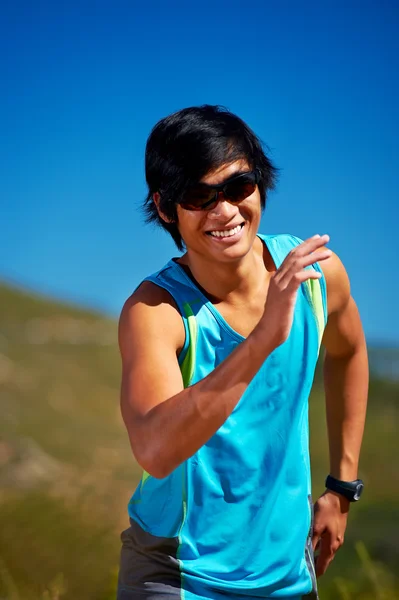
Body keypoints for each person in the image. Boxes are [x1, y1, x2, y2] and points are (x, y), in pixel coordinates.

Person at [117, 105, 368, 600]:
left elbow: (350, 353)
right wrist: (261, 340)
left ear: (261, 183)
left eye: (238, 187)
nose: (225, 211)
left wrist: (342, 488)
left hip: (289, 575)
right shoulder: (156, 311)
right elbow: (155, 450)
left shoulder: (315, 276)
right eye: (198, 196)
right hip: (177, 574)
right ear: (166, 208)